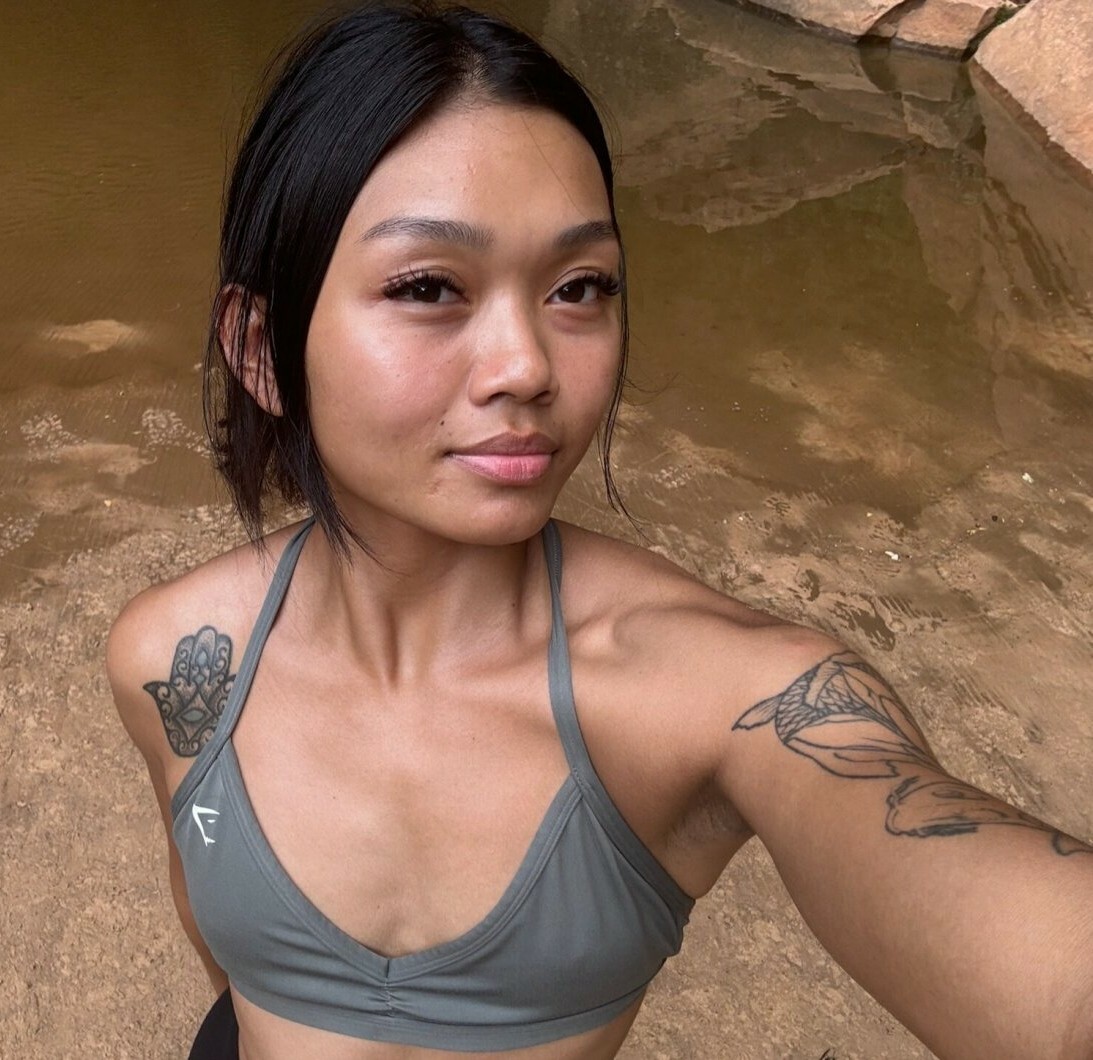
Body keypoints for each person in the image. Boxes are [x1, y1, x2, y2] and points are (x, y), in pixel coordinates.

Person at [107, 3, 1093, 1058]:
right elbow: (228, 958)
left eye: (578, 288)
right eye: (429, 287)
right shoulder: (174, 660)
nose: (527, 365)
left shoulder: (725, 699)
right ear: (261, 349)